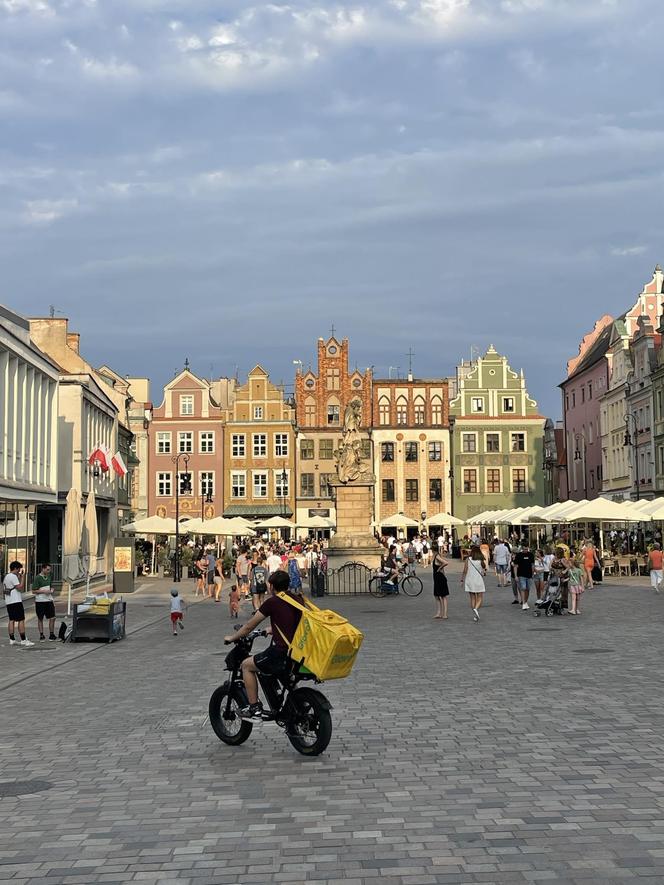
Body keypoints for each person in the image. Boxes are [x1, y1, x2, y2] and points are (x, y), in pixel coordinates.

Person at [224, 569, 305, 720]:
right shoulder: (297, 599)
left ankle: (254, 708)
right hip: (297, 652)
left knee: (247, 665)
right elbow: (295, 623)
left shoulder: (273, 602)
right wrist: (273, 629)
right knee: (286, 676)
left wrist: (233, 637)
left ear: (272, 586)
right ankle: (297, 704)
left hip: (281, 652)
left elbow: (249, 626)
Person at [3, 561, 34, 647]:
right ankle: (23, 639)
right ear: (16, 568)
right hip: (15, 601)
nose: (19, 571)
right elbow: (20, 587)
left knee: (11, 620)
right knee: (21, 620)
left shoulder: (6, 576)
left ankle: (12, 639)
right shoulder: (13, 577)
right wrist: (23, 577)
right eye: (19, 569)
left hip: (9, 601)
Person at [461, 545, 486, 622]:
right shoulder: (481, 559)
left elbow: (465, 570)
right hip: (478, 579)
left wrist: (462, 579)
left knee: (472, 597)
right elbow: (483, 570)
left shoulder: (468, 559)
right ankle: (476, 608)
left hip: (469, 579)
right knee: (480, 597)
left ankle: (475, 613)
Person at [32, 564, 56, 641]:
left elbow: (51, 586)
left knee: (52, 617)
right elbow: (33, 591)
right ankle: (41, 635)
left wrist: (52, 590)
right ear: (43, 569)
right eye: (47, 569)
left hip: (49, 600)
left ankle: (51, 634)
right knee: (40, 618)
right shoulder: (37, 578)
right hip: (40, 601)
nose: (49, 571)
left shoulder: (49, 576)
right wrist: (43, 591)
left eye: (49, 570)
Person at [513, 543, 535, 611]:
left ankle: (525, 601)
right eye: (524, 549)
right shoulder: (519, 555)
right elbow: (515, 566)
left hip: (529, 575)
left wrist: (533, 572)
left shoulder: (530, 555)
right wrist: (516, 576)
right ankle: (524, 603)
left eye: (527, 549)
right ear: (522, 548)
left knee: (528, 589)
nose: (526, 550)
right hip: (521, 574)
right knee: (523, 588)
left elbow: (532, 564)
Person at [432, 544, 450, 619]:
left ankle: (444, 614)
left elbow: (446, 562)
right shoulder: (437, 556)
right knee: (437, 595)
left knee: (443, 596)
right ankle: (439, 613)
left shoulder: (437, 556)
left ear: (433, 550)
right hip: (437, 578)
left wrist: (439, 568)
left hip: (440, 577)